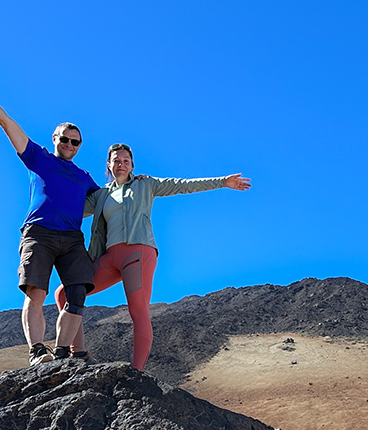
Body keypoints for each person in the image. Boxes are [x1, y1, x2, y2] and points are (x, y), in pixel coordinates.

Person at [55, 143, 251, 370]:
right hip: (109, 257)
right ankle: (77, 353)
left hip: (138, 254)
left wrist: (222, 182)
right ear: (108, 165)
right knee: (65, 293)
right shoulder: (100, 195)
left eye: (126, 161)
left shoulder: (145, 184)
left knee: (137, 311)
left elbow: (182, 185)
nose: (121, 164)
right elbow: (71, 207)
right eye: (116, 161)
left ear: (132, 165)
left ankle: (137, 372)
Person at [0, 60, 100, 365]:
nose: (68, 144)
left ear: (79, 146)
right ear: (55, 139)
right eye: (64, 139)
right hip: (39, 233)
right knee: (35, 294)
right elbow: (6, 121)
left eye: (74, 142)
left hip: (72, 239)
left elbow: (111, 200)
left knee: (77, 294)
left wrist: (137, 183)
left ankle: (63, 353)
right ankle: (38, 352)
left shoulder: (84, 176)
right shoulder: (38, 157)